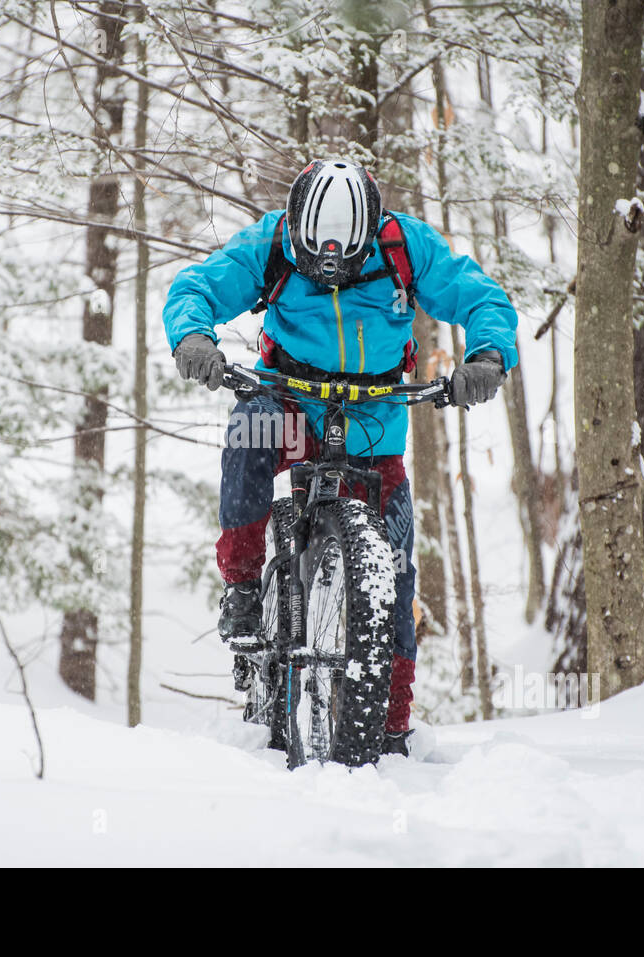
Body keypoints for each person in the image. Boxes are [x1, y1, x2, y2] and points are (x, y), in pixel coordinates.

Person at [162, 159, 518, 755]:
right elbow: (196, 286)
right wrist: (194, 337)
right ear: (298, 233)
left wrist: (487, 357)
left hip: (373, 428)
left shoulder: (406, 247)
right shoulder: (271, 241)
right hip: (291, 409)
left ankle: (393, 725)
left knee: (395, 580)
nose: (329, 270)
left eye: (345, 264)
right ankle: (245, 586)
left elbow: (482, 298)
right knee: (248, 433)